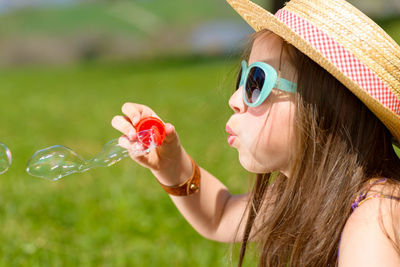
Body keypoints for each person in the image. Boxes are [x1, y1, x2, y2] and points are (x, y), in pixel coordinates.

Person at [111, 0, 400, 265]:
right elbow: (220, 215)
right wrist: (173, 165)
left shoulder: (373, 222)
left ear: (329, 111)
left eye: (256, 83)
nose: (234, 100)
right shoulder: (308, 190)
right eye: (243, 77)